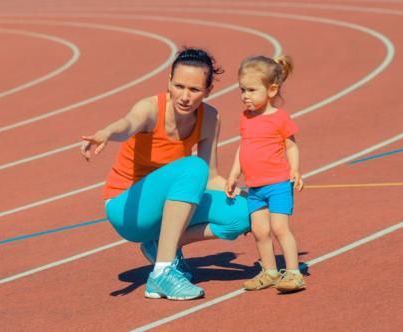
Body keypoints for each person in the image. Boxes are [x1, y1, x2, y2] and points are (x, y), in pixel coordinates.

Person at [81, 48, 250, 301]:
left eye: (194, 90)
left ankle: (159, 246)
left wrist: (239, 191)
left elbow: (212, 176)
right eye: (178, 86)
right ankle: (162, 272)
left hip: (165, 207)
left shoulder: (210, 118)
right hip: (127, 208)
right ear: (168, 81)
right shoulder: (151, 109)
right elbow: (127, 125)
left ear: (208, 91)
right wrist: (106, 132)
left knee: (243, 213)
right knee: (193, 168)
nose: (184, 96)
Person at [225, 55, 305, 293]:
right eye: (242, 90)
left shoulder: (279, 118)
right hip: (254, 187)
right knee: (260, 231)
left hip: (278, 183)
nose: (245, 95)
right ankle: (269, 271)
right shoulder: (245, 118)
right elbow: (244, 147)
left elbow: (291, 145)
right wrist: (233, 174)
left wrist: (295, 170)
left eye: (251, 90)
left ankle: (293, 273)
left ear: (271, 90)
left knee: (280, 228)